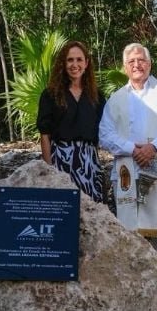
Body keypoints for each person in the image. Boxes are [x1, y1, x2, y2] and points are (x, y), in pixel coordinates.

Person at [99, 43, 157, 258]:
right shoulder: (115, 99)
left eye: (141, 60)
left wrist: (154, 147)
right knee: (130, 231)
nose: (137, 65)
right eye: (131, 61)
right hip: (128, 173)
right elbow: (104, 135)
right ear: (125, 67)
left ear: (149, 64)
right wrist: (131, 149)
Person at [37, 40, 106, 203]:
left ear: (87, 63)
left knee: (90, 214)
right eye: (70, 60)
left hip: (89, 163)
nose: (75, 64)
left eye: (79, 59)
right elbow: (45, 135)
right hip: (60, 161)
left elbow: (100, 133)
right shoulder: (50, 95)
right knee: (62, 212)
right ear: (63, 63)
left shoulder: (97, 96)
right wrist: (49, 170)